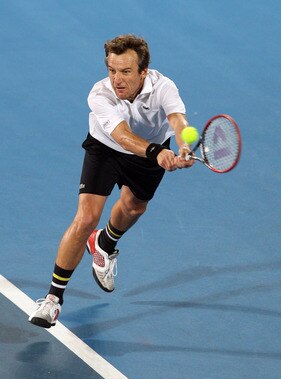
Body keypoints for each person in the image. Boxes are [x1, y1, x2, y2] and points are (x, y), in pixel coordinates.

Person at [28, 34, 195, 328]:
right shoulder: (99, 94)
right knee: (86, 218)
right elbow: (121, 135)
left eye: (126, 71)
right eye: (112, 70)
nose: (117, 79)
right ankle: (52, 300)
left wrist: (181, 146)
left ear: (144, 72)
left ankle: (105, 243)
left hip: (149, 152)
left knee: (134, 207)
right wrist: (157, 152)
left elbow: (178, 121)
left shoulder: (164, 87)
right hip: (105, 148)